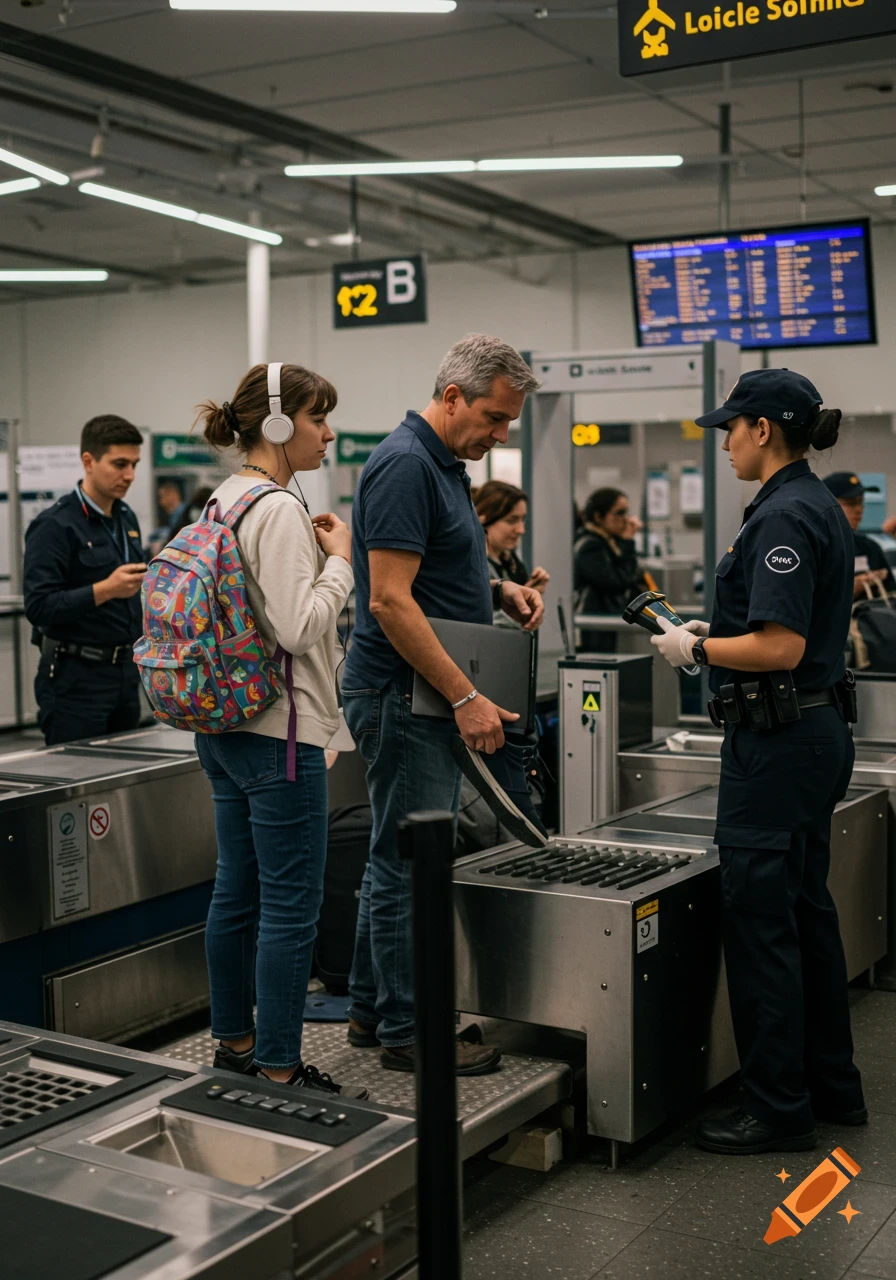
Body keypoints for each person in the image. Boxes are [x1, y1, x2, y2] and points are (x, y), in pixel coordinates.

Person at [649, 369, 865, 1155]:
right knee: (806, 912)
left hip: (779, 744)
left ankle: (776, 1107)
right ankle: (832, 1086)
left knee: (763, 921)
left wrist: (695, 644)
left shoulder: (782, 515)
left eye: (730, 430)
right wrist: (721, 627)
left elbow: (779, 646)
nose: (727, 443)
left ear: (763, 429)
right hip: (812, 733)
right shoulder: (811, 506)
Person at [342, 333, 545, 1075]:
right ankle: (409, 1030)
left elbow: (427, 572)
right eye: (493, 418)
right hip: (404, 692)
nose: (498, 437)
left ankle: (371, 1010)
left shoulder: (443, 465)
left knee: (390, 855)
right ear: (452, 395)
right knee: (408, 865)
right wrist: (464, 695)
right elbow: (391, 601)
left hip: (419, 691)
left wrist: (497, 588)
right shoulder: (404, 464)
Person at [194, 362, 363, 1098]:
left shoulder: (222, 501)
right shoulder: (281, 512)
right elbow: (298, 628)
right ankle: (280, 1066)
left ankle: (234, 1043)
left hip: (223, 728)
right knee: (292, 909)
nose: (329, 433)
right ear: (277, 425)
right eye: (319, 419)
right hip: (280, 734)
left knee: (235, 892)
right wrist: (341, 565)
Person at [24, 415, 147, 745]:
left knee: (123, 779)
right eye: (120, 464)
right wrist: (105, 590)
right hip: (75, 679)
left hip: (124, 672)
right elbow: (39, 606)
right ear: (88, 461)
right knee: (78, 782)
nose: (130, 475)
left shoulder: (125, 517)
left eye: (134, 464)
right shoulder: (56, 525)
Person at [574, 487, 647, 651]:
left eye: (626, 513)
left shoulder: (609, 542)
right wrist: (628, 542)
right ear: (599, 517)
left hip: (606, 620)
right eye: (619, 513)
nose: (626, 519)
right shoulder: (590, 546)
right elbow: (617, 581)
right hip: (593, 625)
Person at [474, 480, 549, 625]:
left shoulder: (510, 560)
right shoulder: (474, 564)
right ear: (483, 519)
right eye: (512, 520)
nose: (521, 529)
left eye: (522, 520)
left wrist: (529, 594)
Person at [822, 472, 895, 596]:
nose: (859, 509)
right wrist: (850, 589)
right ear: (827, 504)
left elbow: (891, 594)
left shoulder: (869, 547)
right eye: (851, 503)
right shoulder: (815, 548)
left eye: (861, 502)